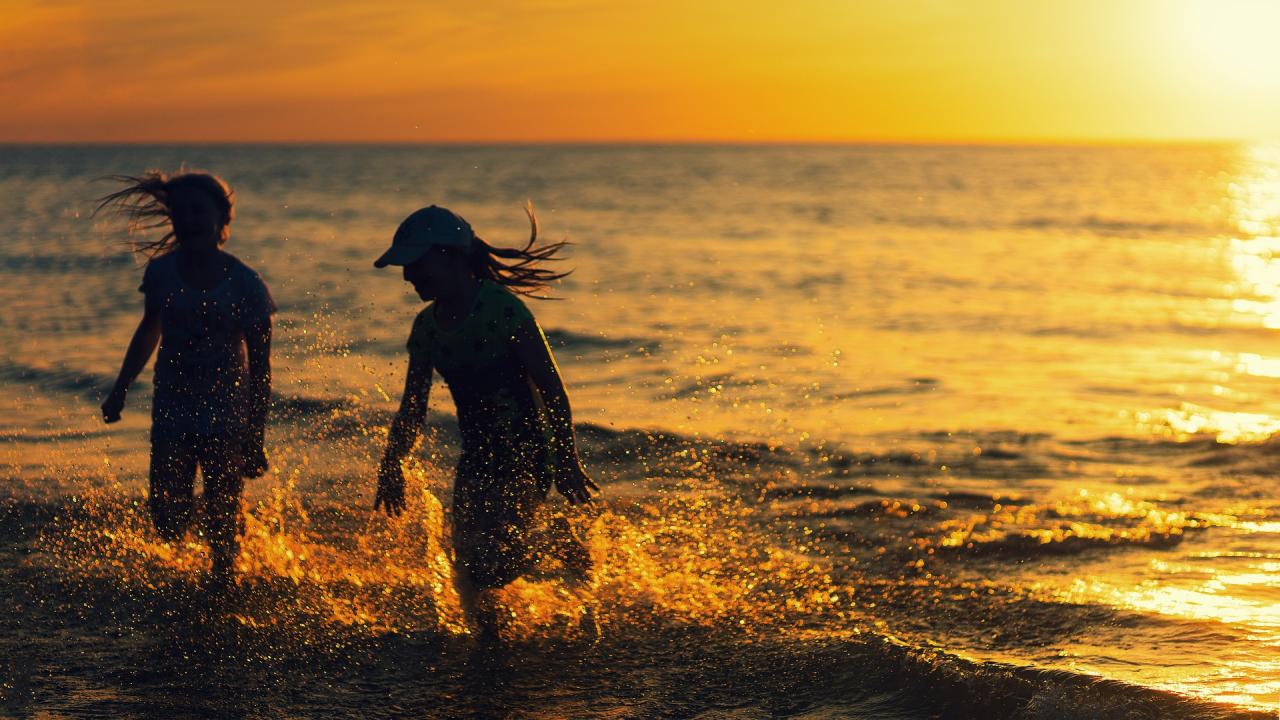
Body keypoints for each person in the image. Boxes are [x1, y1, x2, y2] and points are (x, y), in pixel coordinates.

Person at [372, 204, 599, 634]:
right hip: (477, 457)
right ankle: (491, 641)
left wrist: (566, 460)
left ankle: (561, 545)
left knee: (493, 563)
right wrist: (391, 465)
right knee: (469, 567)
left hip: (527, 451)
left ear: (450, 256)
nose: (407, 276)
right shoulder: (426, 328)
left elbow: (552, 387)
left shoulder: (502, 310)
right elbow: (412, 408)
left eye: (415, 264)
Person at [97, 171, 275, 588]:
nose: (190, 219)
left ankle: (224, 581)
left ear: (222, 217)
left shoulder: (247, 285)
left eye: (199, 210)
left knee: (221, 511)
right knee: (167, 520)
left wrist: (255, 436)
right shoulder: (162, 274)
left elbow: (262, 369)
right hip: (174, 407)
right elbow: (148, 331)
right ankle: (216, 520)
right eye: (180, 212)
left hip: (227, 410)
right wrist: (120, 389)